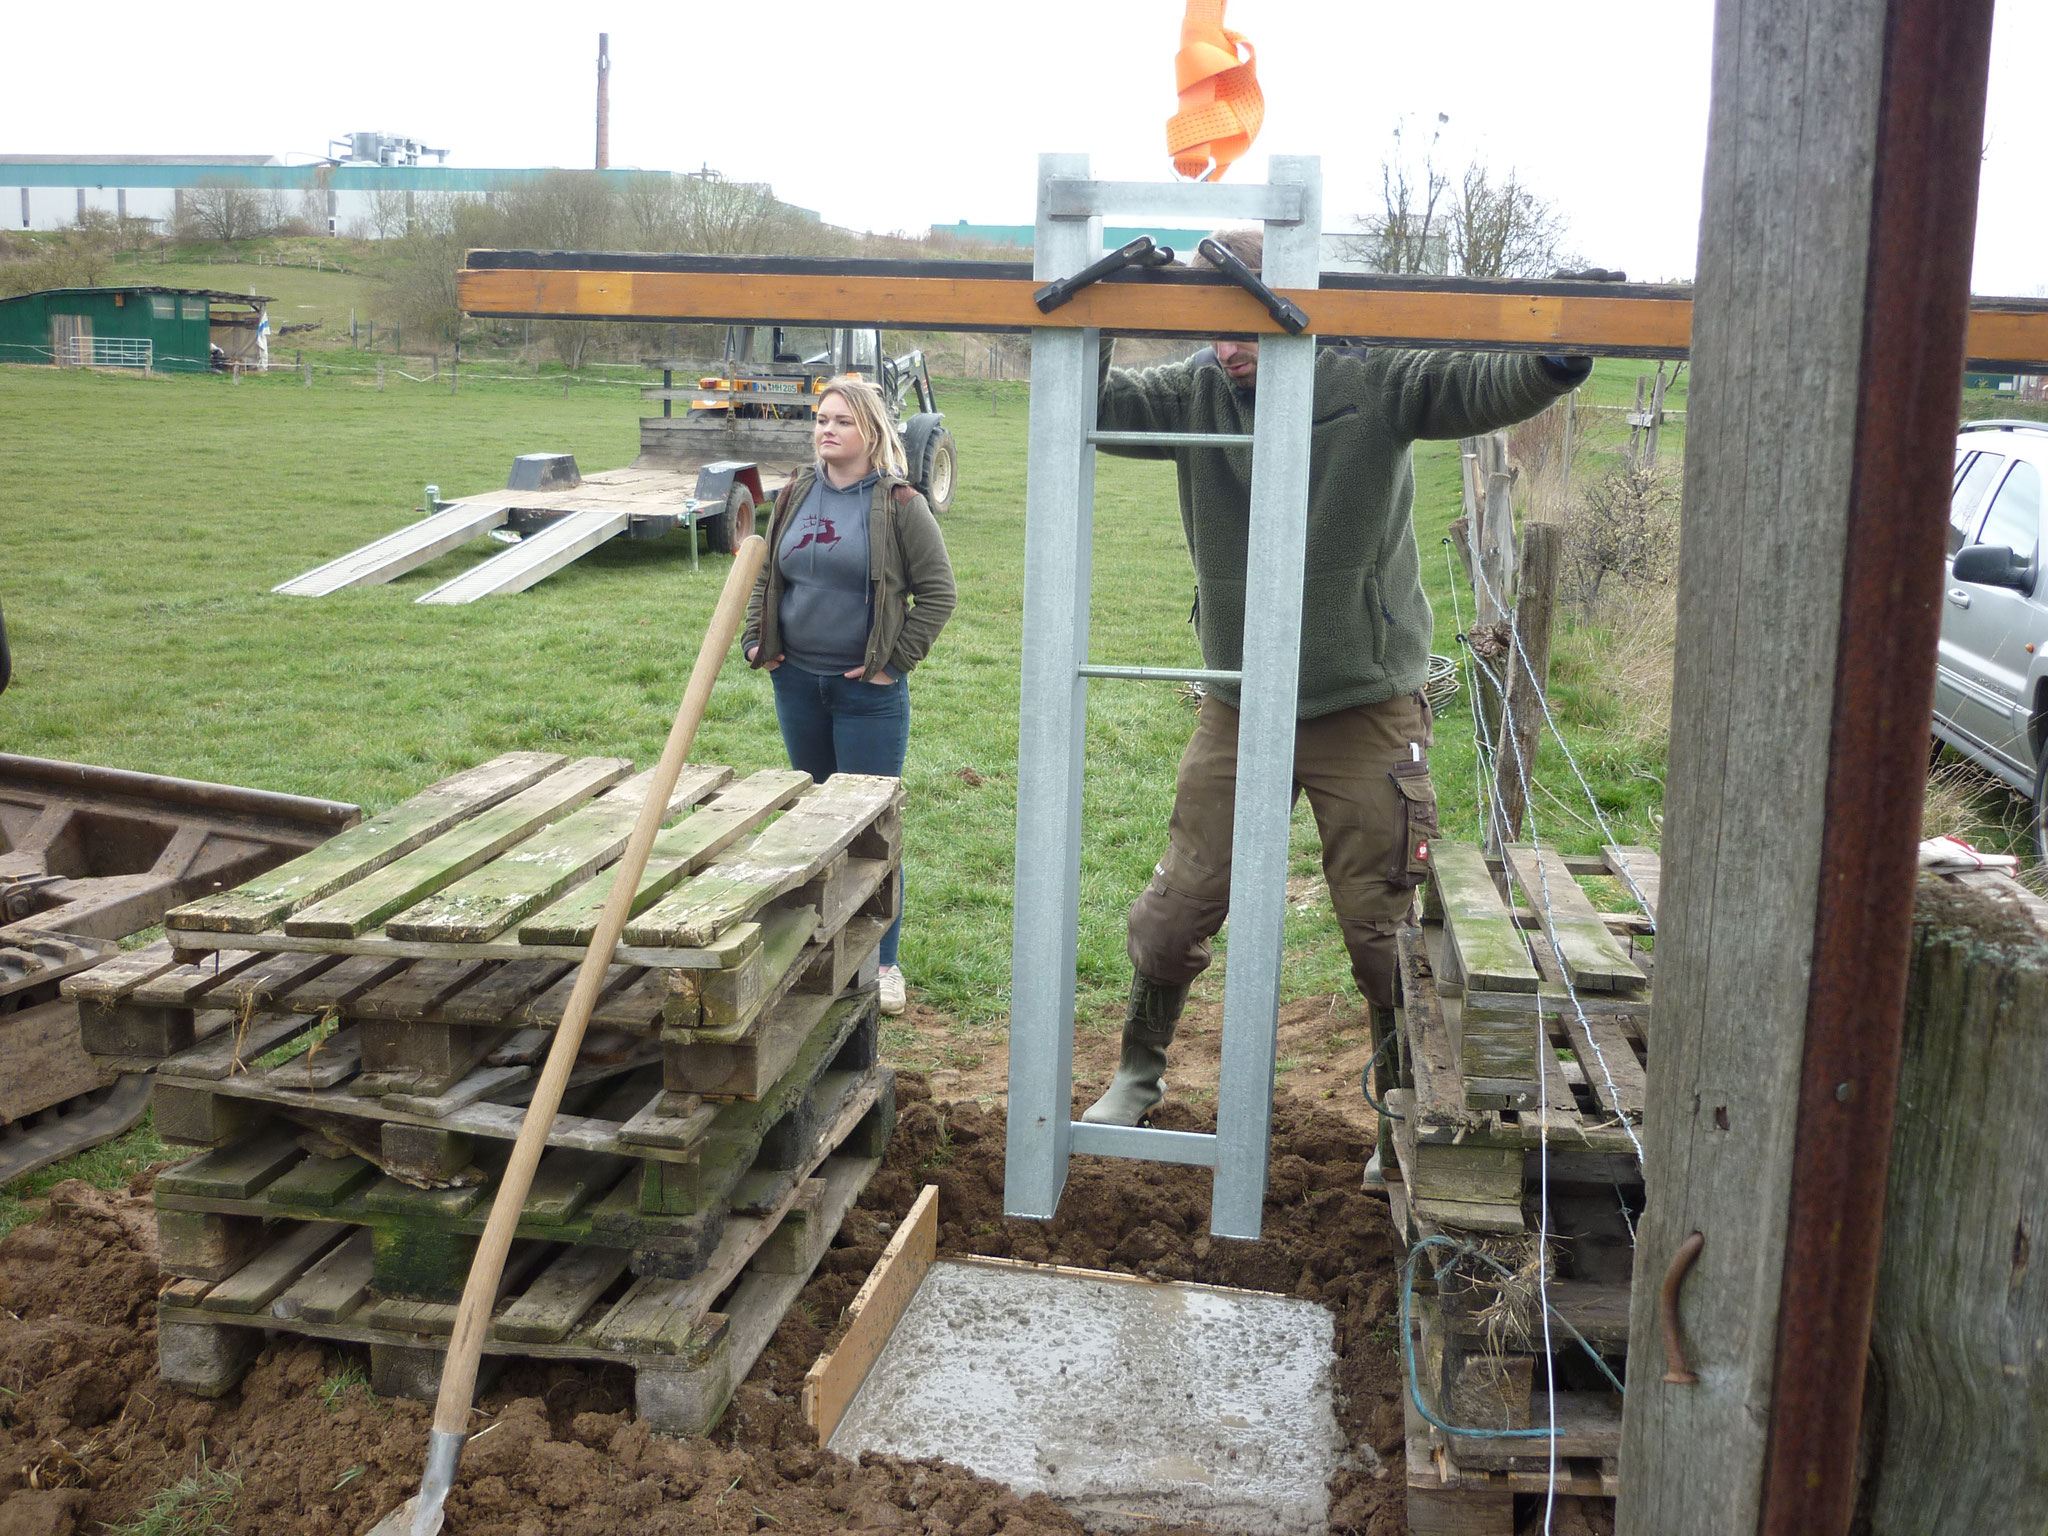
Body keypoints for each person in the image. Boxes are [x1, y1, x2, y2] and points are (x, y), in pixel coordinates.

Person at [1082, 229, 1592, 1188]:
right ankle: (1137, 1074)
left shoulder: (1371, 376)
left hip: (1366, 710)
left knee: (1379, 922)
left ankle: (1398, 1100)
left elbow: (1472, 385)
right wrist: (1104, 308)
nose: (1231, 349)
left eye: (1248, 326)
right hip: (1237, 707)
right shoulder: (1193, 391)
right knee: (1176, 906)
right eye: (1210, 327)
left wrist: (1554, 353)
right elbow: (1093, 406)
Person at [743, 377, 957, 1017]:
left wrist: (894, 663)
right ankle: (820, 945)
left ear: (870, 431)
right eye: (820, 419)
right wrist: (759, 639)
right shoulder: (795, 494)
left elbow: (939, 595)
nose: (825, 430)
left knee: (869, 830)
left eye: (840, 421)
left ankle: (883, 962)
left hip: (866, 696)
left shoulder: (900, 505)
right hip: (797, 684)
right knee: (814, 819)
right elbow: (767, 576)